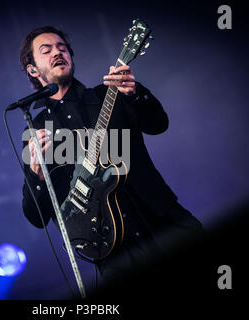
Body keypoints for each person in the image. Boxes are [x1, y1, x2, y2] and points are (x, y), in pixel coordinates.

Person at [19, 26, 204, 282]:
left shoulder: (110, 94)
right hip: (113, 250)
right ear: (33, 69)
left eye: (62, 47)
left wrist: (137, 94)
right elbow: (36, 217)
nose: (57, 53)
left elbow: (158, 124)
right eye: (46, 50)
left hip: (162, 221)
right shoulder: (37, 130)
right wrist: (35, 173)